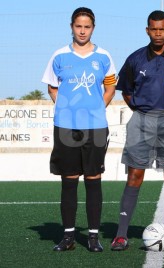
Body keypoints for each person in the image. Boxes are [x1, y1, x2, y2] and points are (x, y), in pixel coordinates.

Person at [110, 10, 164, 251]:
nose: (158, 33)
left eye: (162, 29)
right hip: (142, 121)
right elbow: (125, 90)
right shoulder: (136, 59)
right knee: (135, 175)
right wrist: (141, 111)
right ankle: (121, 235)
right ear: (147, 30)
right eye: (153, 29)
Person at [42, 7, 117, 252]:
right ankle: (68, 237)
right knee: (69, 180)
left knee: (93, 179)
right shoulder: (59, 56)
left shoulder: (104, 56)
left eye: (87, 26)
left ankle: (93, 237)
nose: (82, 31)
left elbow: (110, 88)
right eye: (78, 26)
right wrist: (66, 109)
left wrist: (96, 108)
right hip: (66, 127)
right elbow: (53, 88)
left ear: (93, 28)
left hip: (95, 126)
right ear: (71, 26)